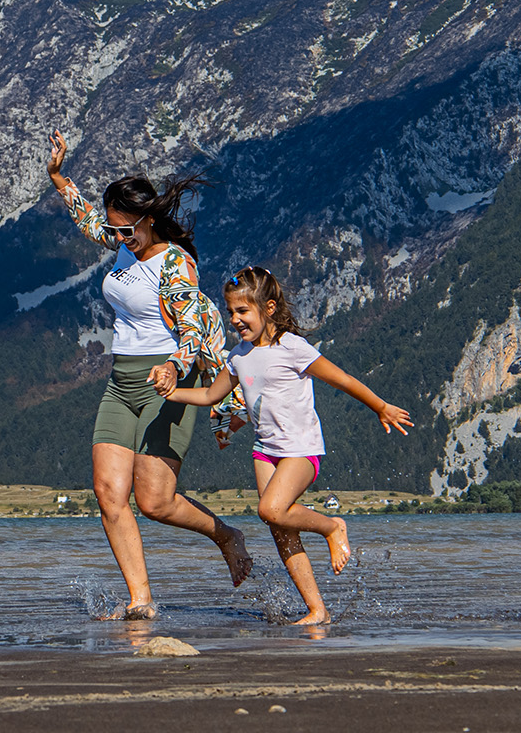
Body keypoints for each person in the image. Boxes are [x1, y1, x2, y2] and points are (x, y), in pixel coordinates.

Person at [46, 130, 252, 620]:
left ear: (149, 219)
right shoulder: (123, 244)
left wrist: (173, 368)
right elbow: (88, 220)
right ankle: (141, 600)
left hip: (168, 383)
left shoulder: (176, 265)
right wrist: (57, 176)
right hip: (122, 382)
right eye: (115, 230)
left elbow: (189, 333)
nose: (117, 237)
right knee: (107, 492)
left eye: (126, 230)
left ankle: (226, 534)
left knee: (155, 502)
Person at [161, 265, 413, 624]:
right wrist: (173, 393)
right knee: (281, 530)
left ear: (269, 308)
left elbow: (342, 379)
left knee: (270, 510)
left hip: (300, 450)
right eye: (231, 311)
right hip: (265, 451)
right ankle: (317, 610)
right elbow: (208, 394)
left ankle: (331, 526)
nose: (235, 319)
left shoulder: (293, 348)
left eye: (242, 311)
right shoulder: (238, 357)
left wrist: (381, 407)